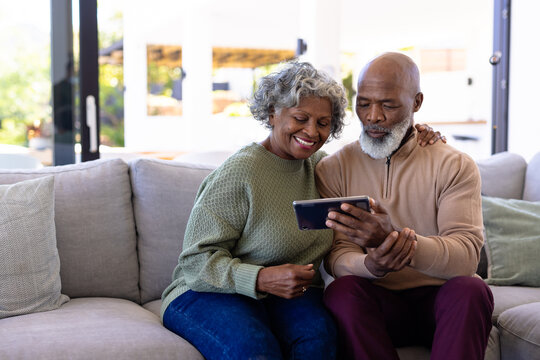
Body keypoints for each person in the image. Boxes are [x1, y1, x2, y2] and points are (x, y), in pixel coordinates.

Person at [160, 60, 443, 360]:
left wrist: (417, 133)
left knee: (319, 339)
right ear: (272, 113)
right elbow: (194, 263)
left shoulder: (322, 166)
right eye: (300, 118)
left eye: (323, 123)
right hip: (208, 292)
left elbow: (377, 152)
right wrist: (260, 278)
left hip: (286, 296)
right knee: (255, 348)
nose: (311, 131)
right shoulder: (239, 173)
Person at [315, 52, 494, 360]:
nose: (373, 116)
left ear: (416, 103)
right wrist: (371, 265)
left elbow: (465, 256)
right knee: (341, 293)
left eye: (388, 104)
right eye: (364, 102)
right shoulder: (333, 168)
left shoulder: (454, 165)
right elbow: (336, 255)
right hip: (379, 301)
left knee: (471, 290)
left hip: (441, 302)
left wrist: (395, 242)